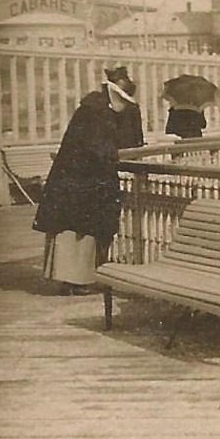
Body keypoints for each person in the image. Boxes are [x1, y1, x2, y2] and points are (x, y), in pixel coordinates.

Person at [33, 69, 136, 294]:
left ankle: (69, 280)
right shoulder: (95, 113)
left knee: (73, 228)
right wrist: (115, 153)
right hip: (81, 181)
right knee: (80, 230)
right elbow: (98, 146)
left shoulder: (94, 110)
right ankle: (75, 281)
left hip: (76, 179)